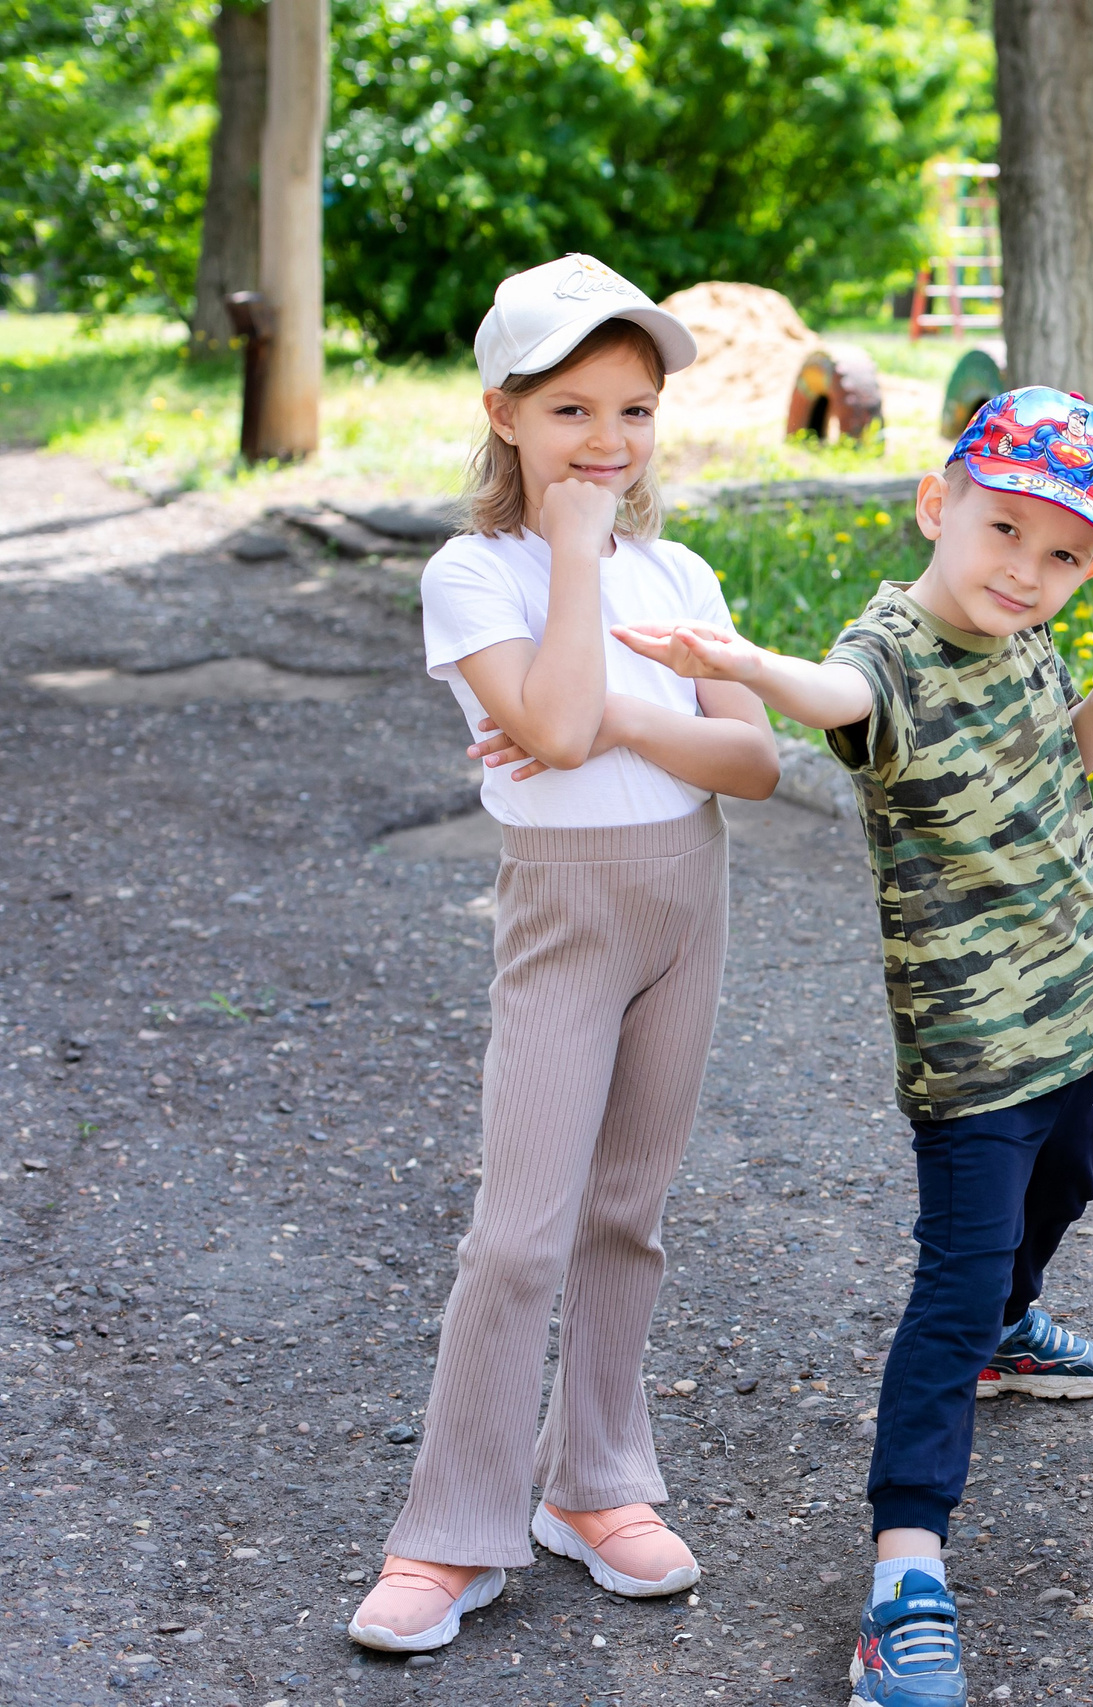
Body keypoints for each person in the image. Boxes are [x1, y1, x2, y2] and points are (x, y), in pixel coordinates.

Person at [614, 386, 1093, 1707]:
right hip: (975, 1049)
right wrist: (750, 666)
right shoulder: (895, 650)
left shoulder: (1032, 638)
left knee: (1069, 1191)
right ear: (939, 504)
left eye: (1064, 554)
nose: (1027, 571)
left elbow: (1064, 772)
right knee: (951, 1282)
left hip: (1079, 1011)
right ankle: (904, 1575)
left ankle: (1013, 1329)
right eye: (1003, 531)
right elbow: (837, 695)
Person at [350, 254, 781, 1654]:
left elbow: (753, 759)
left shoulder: (690, 568)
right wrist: (581, 560)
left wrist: (630, 719)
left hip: (686, 898)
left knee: (626, 1212)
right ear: (504, 413)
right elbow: (544, 728)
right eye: (573, 409)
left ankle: (594, 1482)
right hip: (564, 906)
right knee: (520, 1226)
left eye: (636, 410)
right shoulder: (476, 570)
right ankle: (450, 1527)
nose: (608, 441)